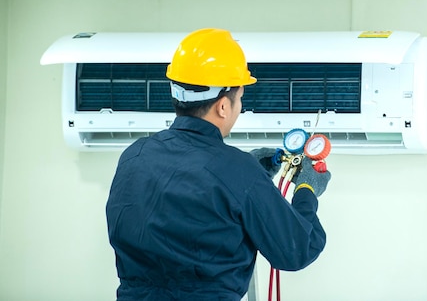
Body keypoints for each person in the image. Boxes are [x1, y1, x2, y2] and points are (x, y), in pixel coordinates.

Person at [105, 28, 331, 301]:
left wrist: (245, 174)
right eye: (240, 97)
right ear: (223, 106)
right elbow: (297, 249)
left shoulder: (134, 156)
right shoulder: (238, 171)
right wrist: (307, 190)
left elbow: (186, 207)